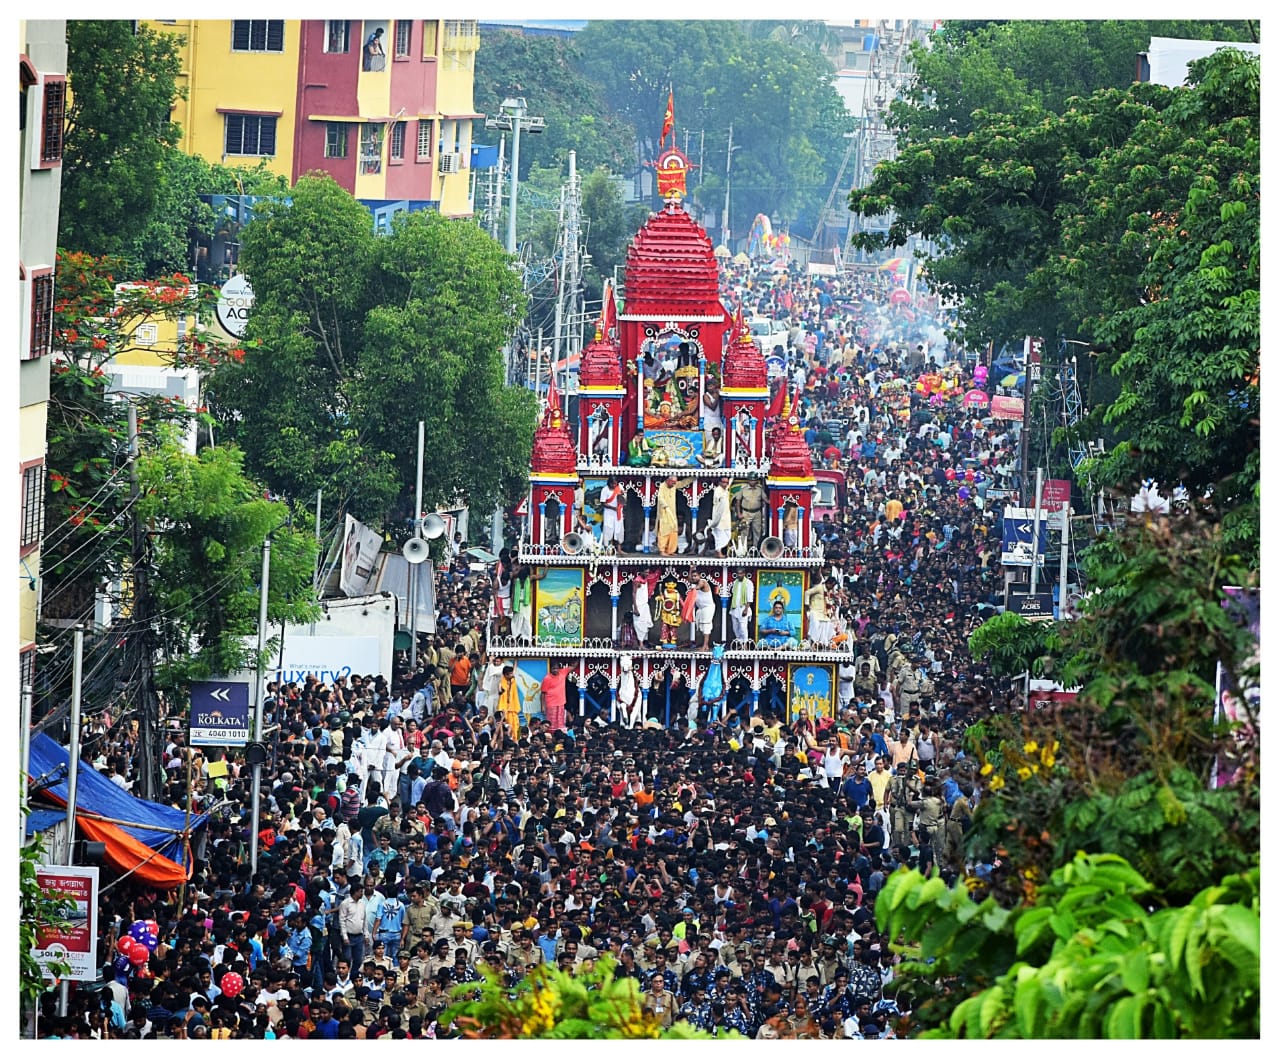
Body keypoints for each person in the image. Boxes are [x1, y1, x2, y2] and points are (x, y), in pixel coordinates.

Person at [733, 478, 767, 552]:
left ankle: (755, 550)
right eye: (751, 480)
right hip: (746, 512)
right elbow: (738, 501)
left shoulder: (759, 489)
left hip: (757, 512)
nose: (753, 481)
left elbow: (765, 499)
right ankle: (742, 550)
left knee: (757, 531)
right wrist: (739, 513)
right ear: (748, 481)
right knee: (744, 531)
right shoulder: (744, 489)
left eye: (754, 480)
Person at [656, 475, 683, 556]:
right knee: (664, 532)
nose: (674, 484)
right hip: (664, 513)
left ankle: (670, 551)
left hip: (673, 513)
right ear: (668, 480)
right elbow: (660, 497)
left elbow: (682, 484)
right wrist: (665, 506)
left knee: (673, 532)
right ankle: (662, 550)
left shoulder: (673, 486)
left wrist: (693, 477)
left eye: (675, 483)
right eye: (673, 482)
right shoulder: (662, 486)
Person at [805, 579, 835, 647]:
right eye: (832, 585)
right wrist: (806, 604)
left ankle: (822, 644)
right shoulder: (819, 587)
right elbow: (807, 592)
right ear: (828, 583)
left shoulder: (828, 591)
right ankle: (813, 643)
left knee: (828, 624)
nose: (832, 587)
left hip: (823, 614)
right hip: (815, 611)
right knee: (815, 627)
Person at [708, 476, 733, 556]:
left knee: (727, 534)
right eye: (723, 482)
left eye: (726, 482)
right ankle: (718, 552)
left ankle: (718, 551)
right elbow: (718, 499)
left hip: (726, 517)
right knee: (719, 535)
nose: (725, 484)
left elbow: (730, 482)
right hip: (719, 517)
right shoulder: (718, 490)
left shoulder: (725, 489)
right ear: (719, 482)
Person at [600, 477, 625, 553]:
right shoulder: (605, 490)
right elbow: (603, 503)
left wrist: (623, 494)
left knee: (619, 529)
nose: (614, 485)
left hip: (618, 513)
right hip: (609, 513)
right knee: (608, 529)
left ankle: (619, 549)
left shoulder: (619, 487)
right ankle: (608, 549)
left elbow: (623, 498)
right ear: (609, 483)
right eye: (612, 483)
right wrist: (613, 508)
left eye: (615, 483)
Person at [729, 569, 754, 643]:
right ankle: (740, 643)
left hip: (743, 607)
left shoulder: (748, 583)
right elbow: (733, 593)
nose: (739, 575)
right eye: (738, 574)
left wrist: (746, 609)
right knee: (735, 628)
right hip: (734, 608)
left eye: (740, 574)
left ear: (744, 574)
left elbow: (750, 597)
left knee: (743, 627)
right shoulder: (735, 582)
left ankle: (745, 644)